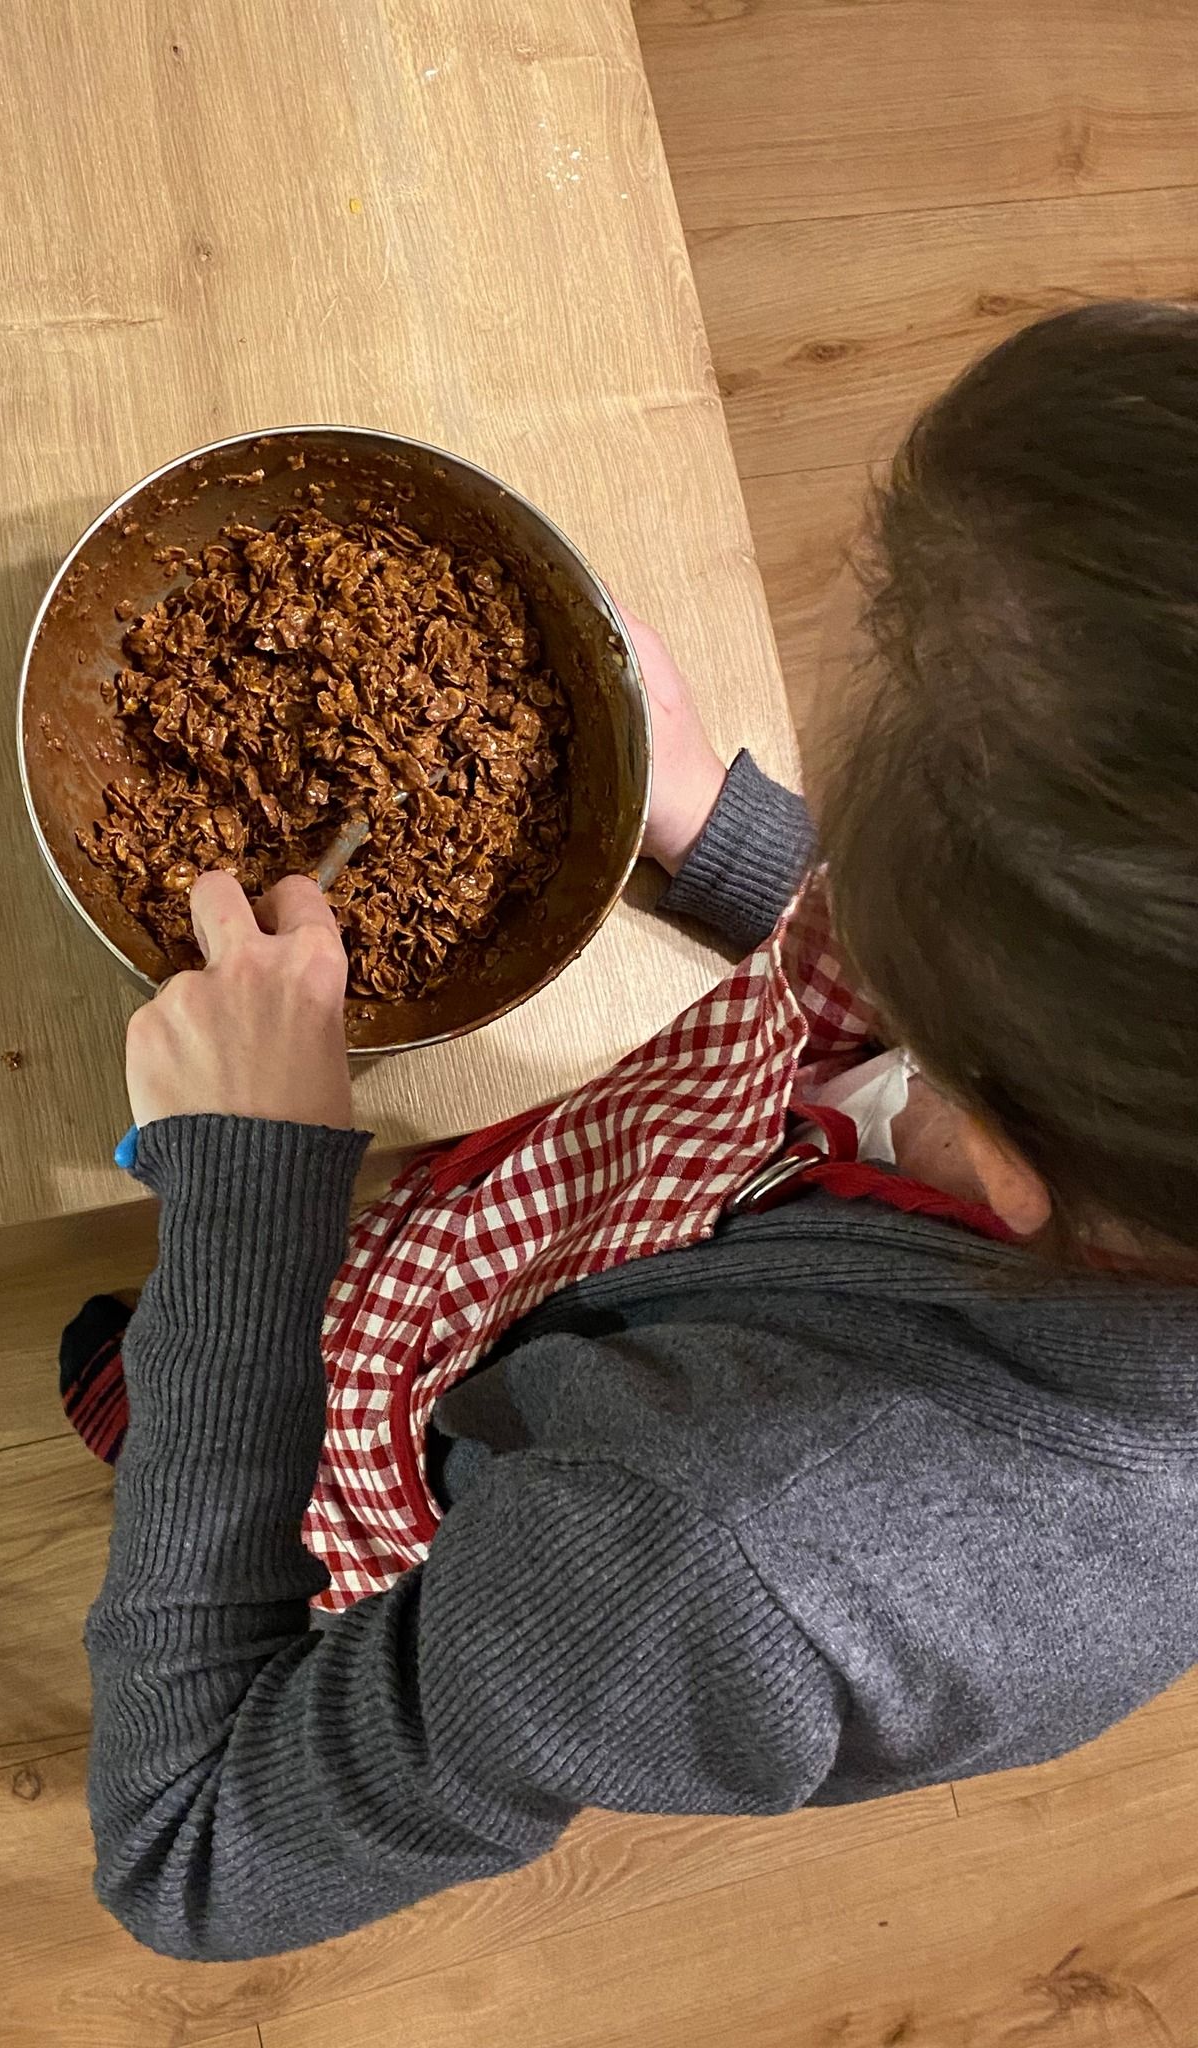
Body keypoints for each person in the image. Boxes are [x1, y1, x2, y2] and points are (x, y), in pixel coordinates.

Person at [69, 301, 1198, 1963]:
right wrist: (715, 829)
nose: (846, 913)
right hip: (528, 1249)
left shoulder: (728, 1564)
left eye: (875, 893)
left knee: (167, 1399)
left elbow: (190, 1847)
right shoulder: (1129, 1083)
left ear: (1020, 1137)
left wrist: (245, 1211)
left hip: (441, 1504)